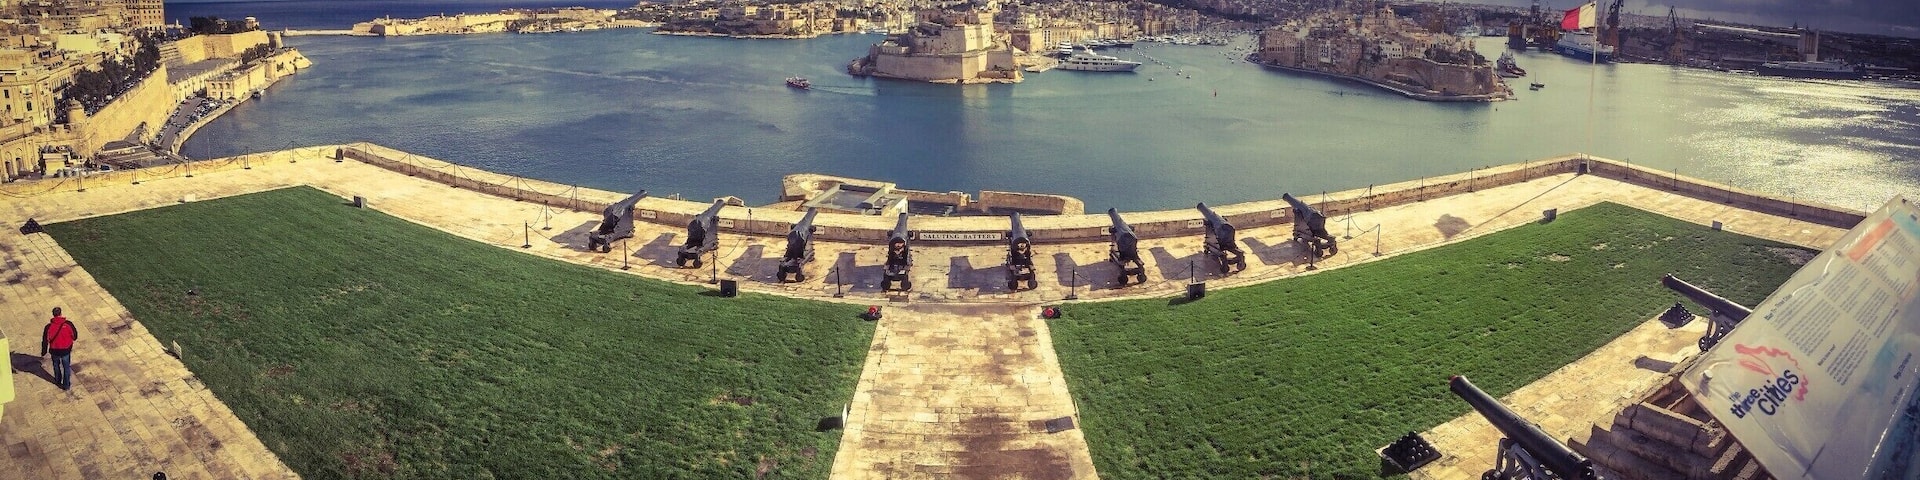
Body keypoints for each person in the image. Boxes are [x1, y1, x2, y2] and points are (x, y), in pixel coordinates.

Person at [41, 306, 77, 390]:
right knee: (66, 367)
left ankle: (57, 380)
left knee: (56, 365)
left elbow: (45, 340)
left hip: (54, 350)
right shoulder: (68, 324)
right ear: (60, 314)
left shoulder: (48, 327)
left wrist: (44, 351)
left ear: (53, 315)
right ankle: (66, 385)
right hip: (65, 350)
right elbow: (74, 336)